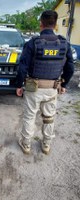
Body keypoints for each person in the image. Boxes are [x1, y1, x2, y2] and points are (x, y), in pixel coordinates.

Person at [16, 10, 74, 155]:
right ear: (55, 25)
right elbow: (70, 67)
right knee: (49, 118)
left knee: (29, 117)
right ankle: (46, 145)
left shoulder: (32, 43)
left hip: (33, 89)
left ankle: (26, 144)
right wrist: (64, 85)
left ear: (41, 24)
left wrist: (18, 85)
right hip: (52, 89)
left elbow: (22, 67)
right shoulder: (64, 44)